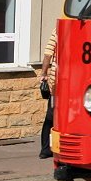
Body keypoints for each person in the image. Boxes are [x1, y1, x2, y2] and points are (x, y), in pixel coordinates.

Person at [38, 28, 57, 159]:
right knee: (52, 117)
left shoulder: (58, 30)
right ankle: (47, 149)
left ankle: (46, 149)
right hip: (62, 83)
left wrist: (44, 73)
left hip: (56, 82)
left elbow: (48, 54)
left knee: (50, 116)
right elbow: (48, 54)